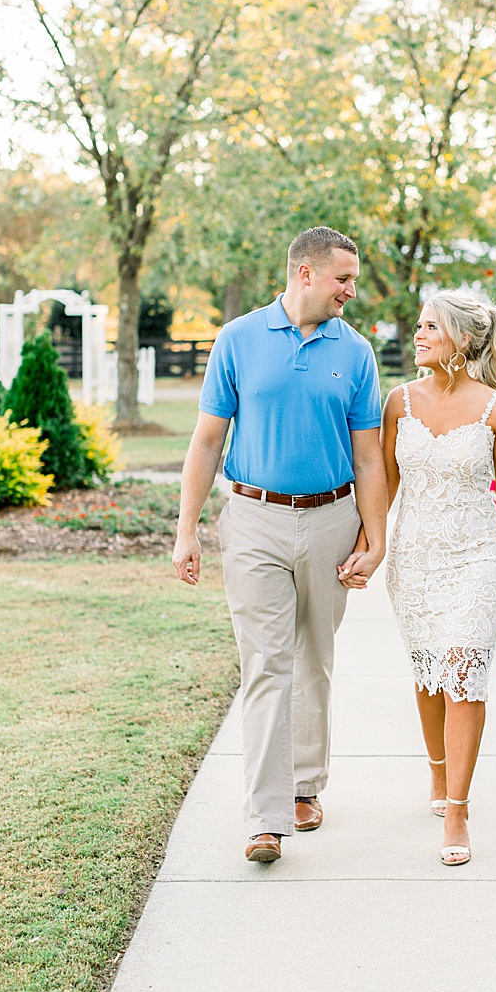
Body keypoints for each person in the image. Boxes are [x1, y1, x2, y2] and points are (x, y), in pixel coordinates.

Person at [174, 226, 389, 863]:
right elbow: (208, 440)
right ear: (305, 273)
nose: (351, 290)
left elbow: (370, 456)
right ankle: (265, 818)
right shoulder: (238, 338)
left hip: (331, 519)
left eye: (352, 280)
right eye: (343, 279)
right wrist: (186, 530)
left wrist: (374, 540)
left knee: (313, 657)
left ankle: (304, 785)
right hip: (253, 519)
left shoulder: (355, 353)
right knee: (266, 663)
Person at [381, 290, 496, 866]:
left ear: (463, 340)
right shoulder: (399, 402)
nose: (417, 336)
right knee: (429, 674)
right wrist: (370, 545)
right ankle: (439, 774)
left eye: (430, 328)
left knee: (464, 669)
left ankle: (459, 811)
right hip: (415, 560)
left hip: (479, 557)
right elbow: (386, 483)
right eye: (418, 327)